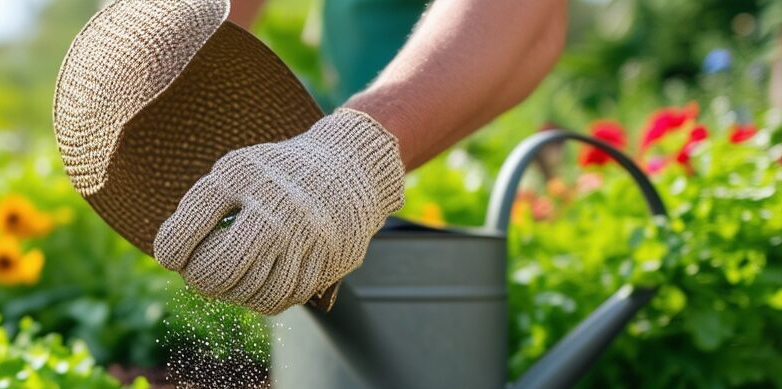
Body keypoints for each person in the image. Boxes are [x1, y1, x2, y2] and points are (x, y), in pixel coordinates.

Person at [150, 0, 570, 314]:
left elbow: (529, 15)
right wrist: (186, 59)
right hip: (343, 151)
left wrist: (358, 151)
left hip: (467, 148)